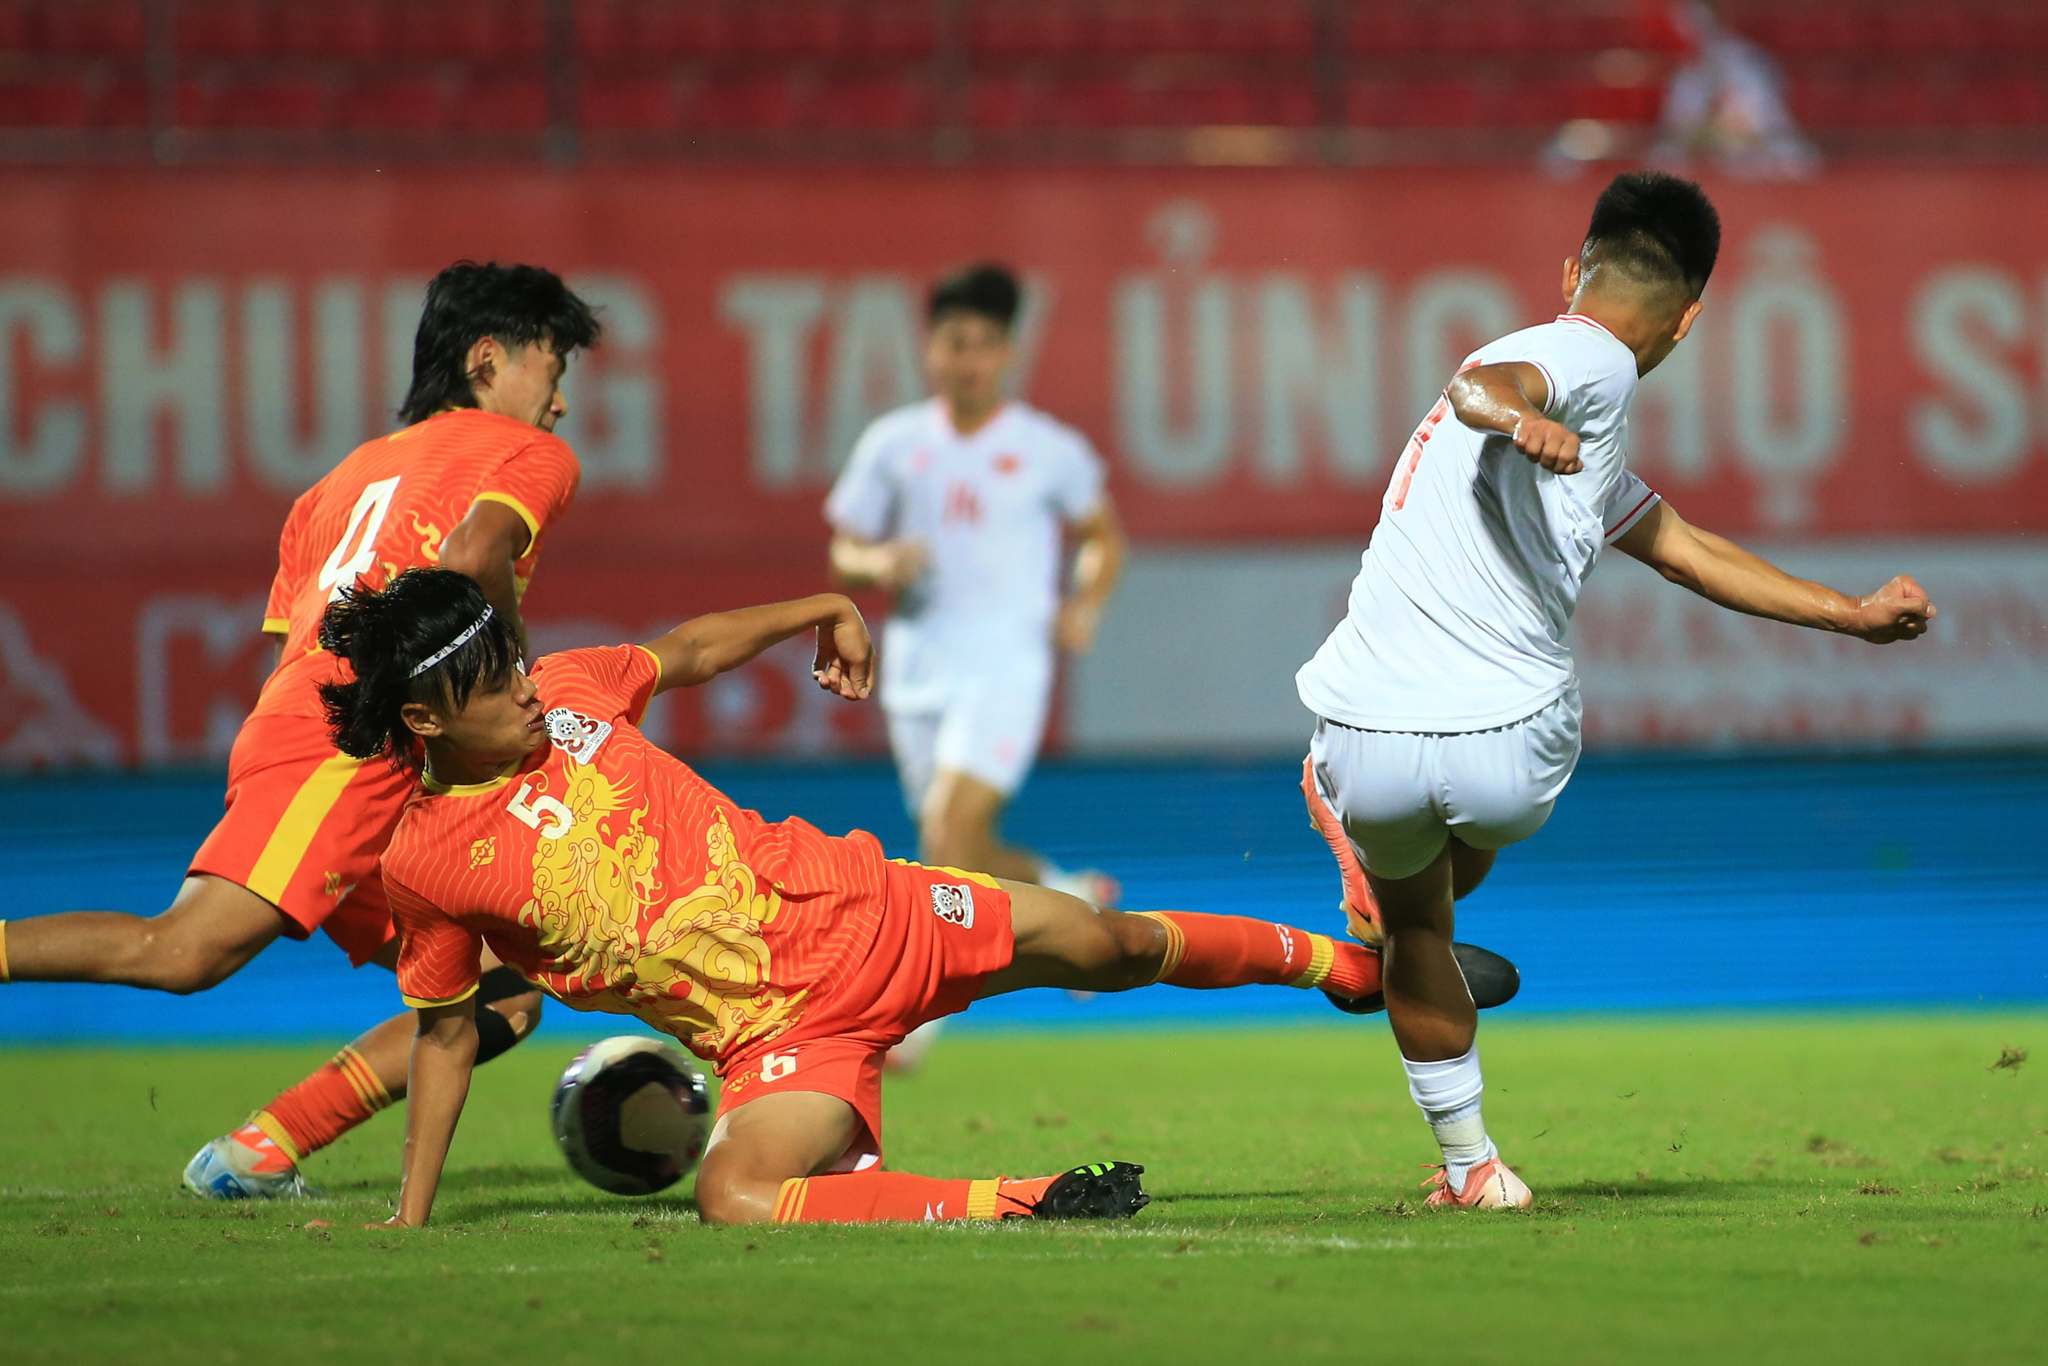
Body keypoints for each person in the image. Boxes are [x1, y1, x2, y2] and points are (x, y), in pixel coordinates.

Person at [327, 568, 1411, 1227]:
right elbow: (442, 1032)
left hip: (866, 911)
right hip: (774, 1039)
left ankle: (1347, 967)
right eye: (491, 683)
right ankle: (1028, 1200)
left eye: (514, 660)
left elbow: (691, 647)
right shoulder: (425, 859)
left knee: (1104, 943)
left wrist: (824, 607)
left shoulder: (568, 693)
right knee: (733, 1198)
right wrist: (410, 1214)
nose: (523, 684)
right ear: (423, 724)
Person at [1293, 171, 1934, 1210]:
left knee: (1413, 922)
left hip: (1368, 727)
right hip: (1513, 746)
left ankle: (1468, 1159)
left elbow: (1672, 541)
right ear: (1687, 320)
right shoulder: (1581, 358)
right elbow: (1482, 386)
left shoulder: (1582, 399)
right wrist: (1515, 417)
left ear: (1568, 273)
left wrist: (1842, 611)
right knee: (1449, 878)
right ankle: (1450, 1102)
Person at [0, 261, 602, 1200]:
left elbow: (292, 648)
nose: (561, 404)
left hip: (327, 730)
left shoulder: (333, 484)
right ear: (488, 360)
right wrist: (509, 686)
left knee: (504, 987)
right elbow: (471, 555)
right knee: (186, 952)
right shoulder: (525, 455)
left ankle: (263, 1148)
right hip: (354, 742)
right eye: (554, 369)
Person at [827, 263, 1126, 1069]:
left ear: (1007, 352)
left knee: (947, 832)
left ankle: (919, 1014)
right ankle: (1068, 894)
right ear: (930, 349)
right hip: (918, 670)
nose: (970, 361)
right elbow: (844, 546)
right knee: (961, 843)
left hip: (1008, 666)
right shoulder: (894, 445)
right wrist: (878, 559)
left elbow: (1103, 537)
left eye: (986, 345)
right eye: (955, 343)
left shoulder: (1046, 450)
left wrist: (1084, 601)